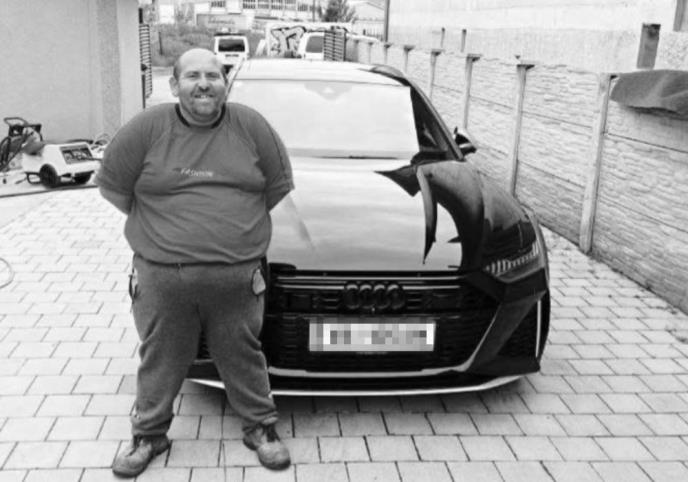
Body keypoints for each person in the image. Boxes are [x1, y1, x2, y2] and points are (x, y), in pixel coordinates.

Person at [96, 48, 294, 478]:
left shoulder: (251, 127)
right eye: (192, 76)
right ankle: (149, 435)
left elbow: (277, 188)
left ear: (225, 84)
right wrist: (163, 229)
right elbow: (113, 189)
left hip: (236, 278)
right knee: (160, 356)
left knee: (243, 353)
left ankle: (260, 428)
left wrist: (233, 229)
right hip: (163, 278)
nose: (203, 84)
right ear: (174, 85)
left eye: (213, 75)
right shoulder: (146, 129)